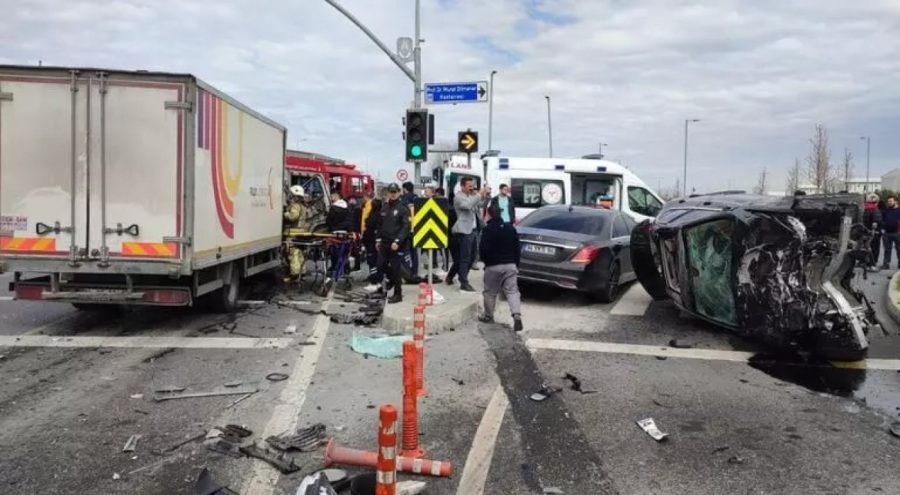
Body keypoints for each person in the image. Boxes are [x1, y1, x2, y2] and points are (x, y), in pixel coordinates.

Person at [478, 204, 523, 331]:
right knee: (512, 291)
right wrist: (516, 264)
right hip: (510, 265)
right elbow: (517, 248)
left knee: (490, 292)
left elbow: (483, 249)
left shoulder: (487, 230)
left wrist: (486, 263)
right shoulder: (510, 228)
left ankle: (489, 316)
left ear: (489, 214)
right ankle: (516, 314)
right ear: (501, 214)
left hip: (493, 266)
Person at [446, 177, 490, 292]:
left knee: (472, 257)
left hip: (474, 230)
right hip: (464, 231)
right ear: (462, 186)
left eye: (472, 185)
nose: (471, 187)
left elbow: (481, 205)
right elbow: (467, 206)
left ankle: (451, 276)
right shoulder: (458, 197)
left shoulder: (471, 196)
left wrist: (487, 196)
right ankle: (463, 282)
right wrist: (479, 195)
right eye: (469, 185)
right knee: (464, 258)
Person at [377, 183, 411, 303]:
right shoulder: (385, 207)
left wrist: (397, 241)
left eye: (394, 192)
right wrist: (378, 239)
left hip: (396, 244)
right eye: (391, 192)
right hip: (384, 242)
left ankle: (398, 294)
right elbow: (380, 224)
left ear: (399, 192)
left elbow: (406, 227)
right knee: (380, 265)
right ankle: (391, 281)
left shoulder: (403, 208)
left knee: (396, 269)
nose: (392, 194)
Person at [363, 198, 383, 284]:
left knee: (372, 261)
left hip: (370, 242)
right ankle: (378, 277)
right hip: (379, 242)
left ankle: (374, 278)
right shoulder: (381, 217)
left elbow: (367, 231)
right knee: (379, 261)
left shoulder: (370, 217)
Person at [864, 193, 883, 270]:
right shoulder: (873, 209)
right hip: (872, 233)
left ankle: (870, 264)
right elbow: (875, 222)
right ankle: (872, 264)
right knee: (873, 249)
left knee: (870, 248)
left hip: (869, 232)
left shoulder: (867, 209)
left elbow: (873, 222)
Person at [881, 196, 900, 270]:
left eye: (890, 201)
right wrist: (882, 228)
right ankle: (886, 264)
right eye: (888, 201)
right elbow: (882, 220)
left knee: (899, 249)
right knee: (887, 249)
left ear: (895, 202)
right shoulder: (886, 210)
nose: (889, 203)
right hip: (887, 233)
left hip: (897, 233)